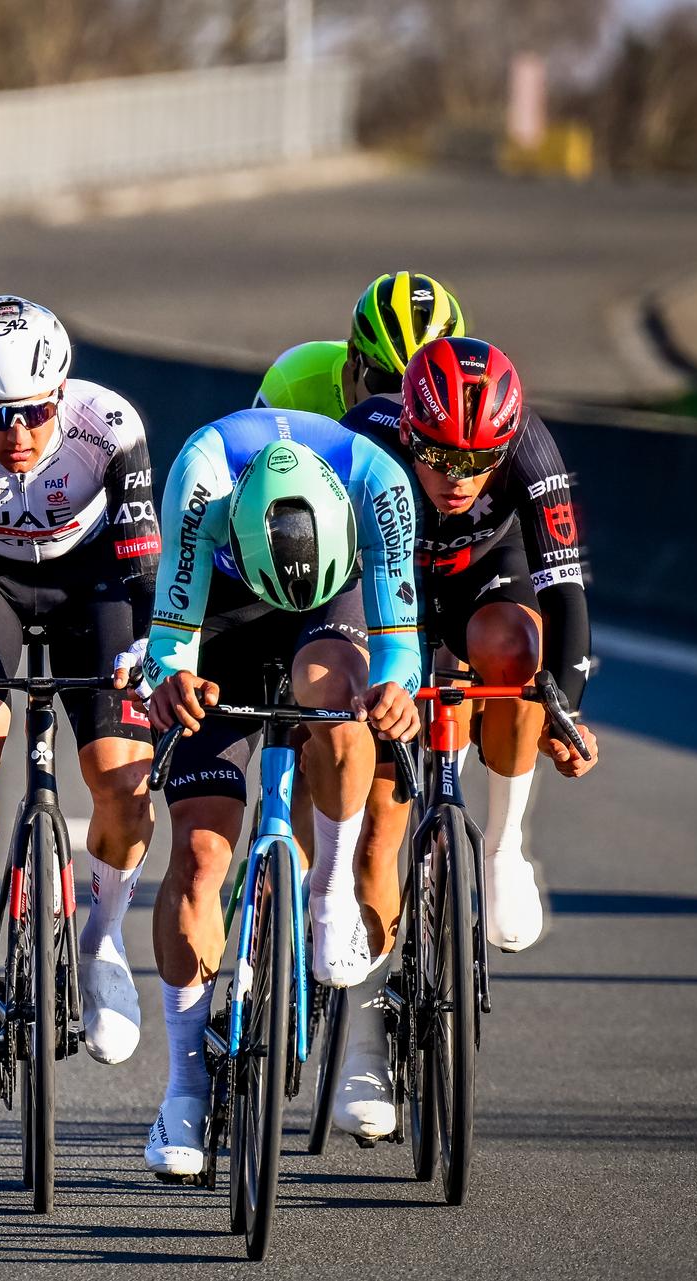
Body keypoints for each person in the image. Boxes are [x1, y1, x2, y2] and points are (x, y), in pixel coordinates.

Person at [314, 336, 604, 1136]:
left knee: (519, 649)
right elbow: (334, 592)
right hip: (388, 587)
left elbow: (566, 589)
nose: (458, 478)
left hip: (485, 575)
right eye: (439, 456)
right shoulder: (364, 439)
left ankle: (505, 848)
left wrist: (568, 710)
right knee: (380, 828)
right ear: (409, 431)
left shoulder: (532, 448)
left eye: (478, 461)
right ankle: (364, 1041)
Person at [126, 407, 423, 1178]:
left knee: (341, 700)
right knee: (199, 855)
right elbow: (170, 639)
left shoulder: (379, 482)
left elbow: (401, 645)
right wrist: (172, 680)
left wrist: (395, 692)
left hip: (331, 604)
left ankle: (329, 893)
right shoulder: (203, 476)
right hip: (223, 607)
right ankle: (184, 1088)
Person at [0, 296, 163, 1066]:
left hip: (96, 583)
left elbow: (144, 575)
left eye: (37, 412)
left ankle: (104, 943)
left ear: (62, 394)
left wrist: (152, 646)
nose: (18, 435)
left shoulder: (109, 428)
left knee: (121, 770)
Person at [255, 271, 466, 420]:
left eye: (425, 389)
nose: (403, 404)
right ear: (354, 356)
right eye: (388, 384)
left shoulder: (471, 399)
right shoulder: (294, 379)